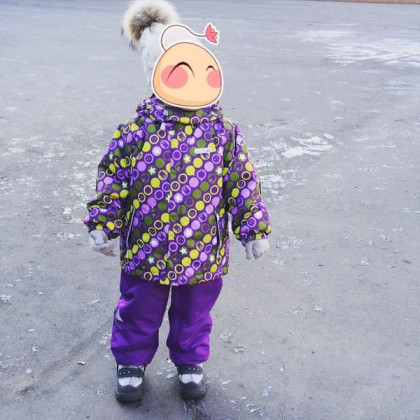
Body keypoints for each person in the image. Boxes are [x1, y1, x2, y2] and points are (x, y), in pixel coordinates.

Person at [84, 0, 271, 402]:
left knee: (194, 314)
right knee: (138, 309)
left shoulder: (223, 133)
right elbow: (113, 178)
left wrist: (253, 228)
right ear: (159, 75)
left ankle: (189, 361)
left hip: (202, 252)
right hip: (146, 248)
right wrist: (103, 223)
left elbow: (241, 182)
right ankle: (130, 362)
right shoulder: (137, 130)